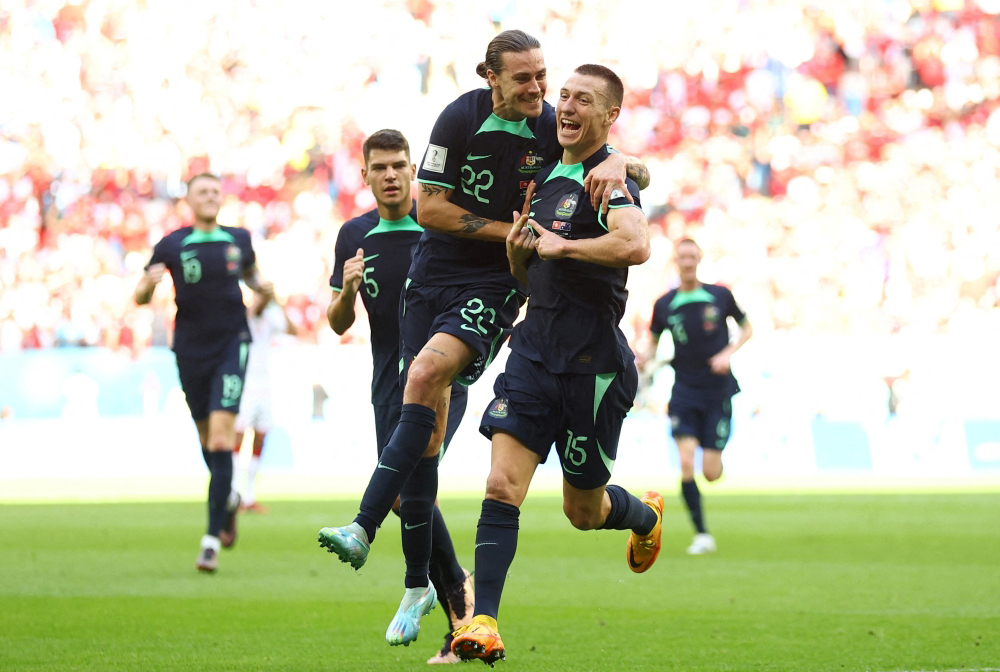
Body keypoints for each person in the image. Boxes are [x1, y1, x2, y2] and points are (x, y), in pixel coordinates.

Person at [317, 29, 649, 650]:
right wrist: (519, 241)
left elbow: (631, 207)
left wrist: (615, 166)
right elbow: (436, 212)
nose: (544, 93)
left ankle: (377, 539)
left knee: (579, 506)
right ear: (489, 76)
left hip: (545, 327)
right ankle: (466, 615)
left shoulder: (569, 143)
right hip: (482, 313)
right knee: (460, 469)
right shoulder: (466, 120)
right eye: (527, 79)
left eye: (547, 79)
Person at [451, 64, 662, 666]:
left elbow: (636, 243)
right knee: (501, 485)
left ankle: (643, 514)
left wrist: (565, 244)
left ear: (608, 116)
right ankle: (482, 621)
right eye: (563, 95)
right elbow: (532, 271)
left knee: (583, 511)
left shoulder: (607, 181)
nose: (565, 106)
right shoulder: (545, 174)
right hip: (532, 355)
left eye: (583, 99)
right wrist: (521, 257)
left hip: (592, 367)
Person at [325, 129, 474, 664]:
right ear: (364, 175)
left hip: (439, 382)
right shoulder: (354, 236)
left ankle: (455, 604)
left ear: (415, 170)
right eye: (380, 168)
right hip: (386, 381)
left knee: (411, 490)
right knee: (406, 496)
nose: (390, 175)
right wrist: (346, 291)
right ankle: (452, 590)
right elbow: (339, 321)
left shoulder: (439, 224)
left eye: (399, 166)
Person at [135, 172, 272, 573]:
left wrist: (265, 289)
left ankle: (210, 540)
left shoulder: (239, 239)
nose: (211, 196)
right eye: (203, 192)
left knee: (220, 435)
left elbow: (251, 277)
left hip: (233, 343)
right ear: (189, 201)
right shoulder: (172, 243)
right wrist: (148, 283)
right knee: (205, 437)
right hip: (191, 348)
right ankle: (228, 496)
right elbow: (141, 297)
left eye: (215, 191)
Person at [649, 238, 752, 554]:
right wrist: (645, 361)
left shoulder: (719, 295)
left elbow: (747, 328)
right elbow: (651, 346)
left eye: (692, 256)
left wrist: (727, 353)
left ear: (700, 258)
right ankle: (702, 535)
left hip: (717, 391)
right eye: (683, 256)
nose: (688, 261)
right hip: (683, 391)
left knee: (711, 472)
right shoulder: (664, 304)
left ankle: (715, 453)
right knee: (685, 464)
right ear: (676, 261)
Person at [232, 290, 296, 515]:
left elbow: (292, 330)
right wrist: (264, 297)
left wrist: (278, 303)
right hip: (246, 385)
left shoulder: (270, 318)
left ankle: (248, 496)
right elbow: (254, 309)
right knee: (238, 437)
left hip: (265, 388)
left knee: (260, 438)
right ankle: (233, 494)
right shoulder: (246, 316)